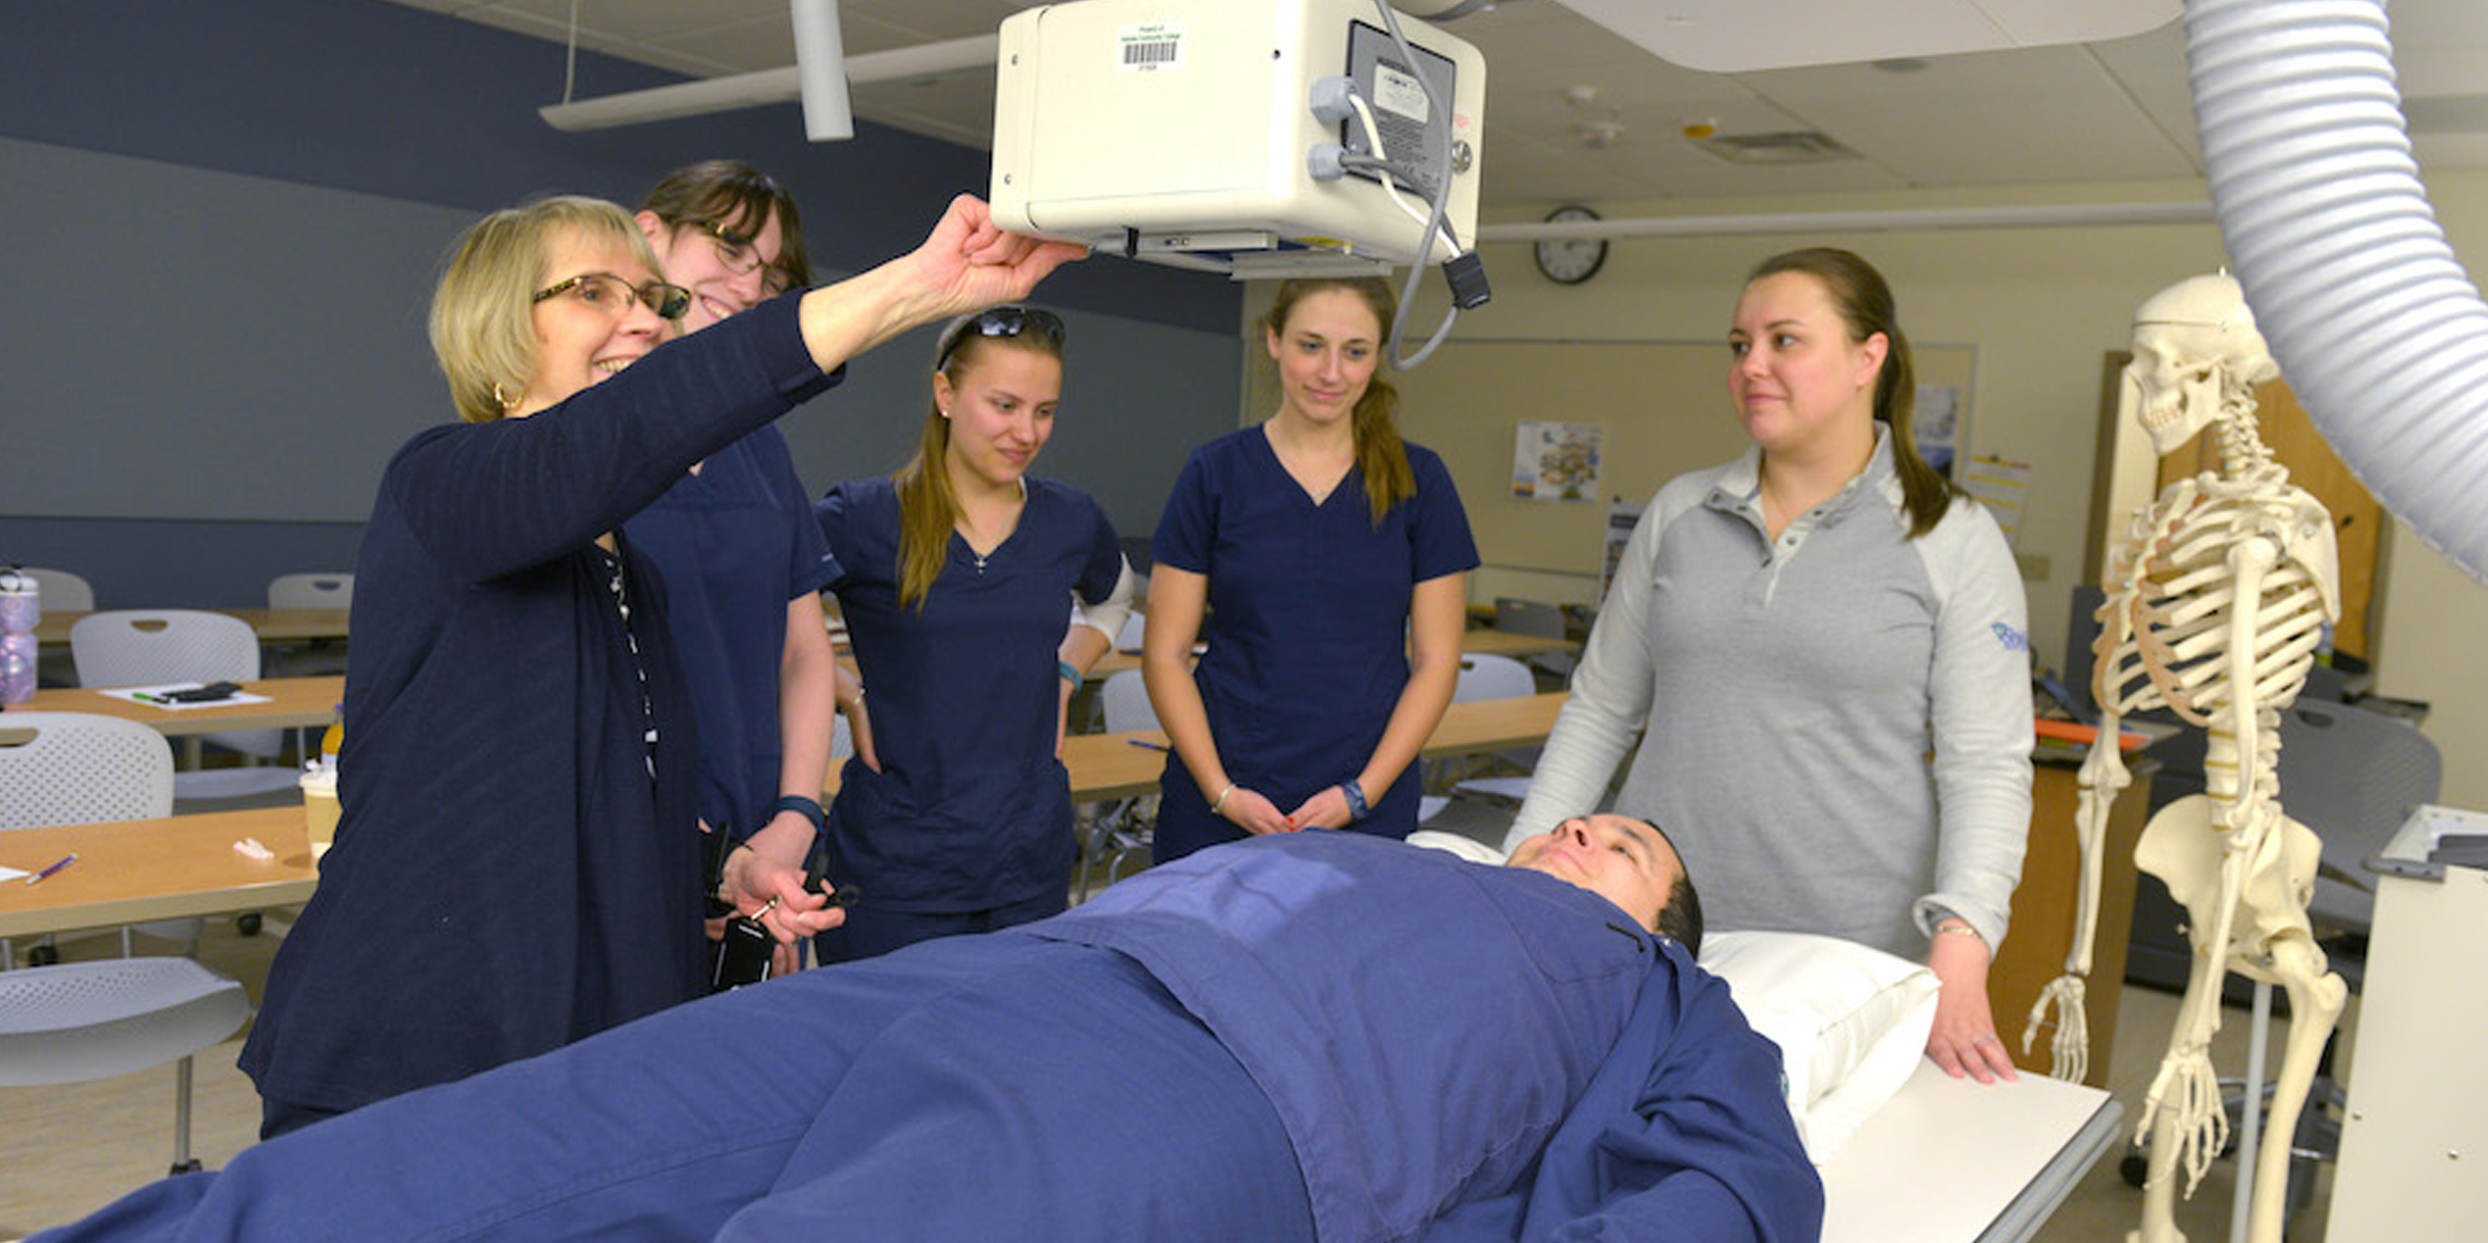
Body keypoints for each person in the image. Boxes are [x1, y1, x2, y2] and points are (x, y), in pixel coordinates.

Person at [232, 191, 1081, 1137]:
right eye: (592, 293)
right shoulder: (443, 484)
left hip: (575, 1066)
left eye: (652, 298)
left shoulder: (630, 576)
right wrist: (914, 289)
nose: (643, 317)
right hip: (410, 1066)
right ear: (499, 331)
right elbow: (626, 432)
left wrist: (718, 876)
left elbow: (598, 790)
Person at [37, 817, 1822, 1243]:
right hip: (1001, 974)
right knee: (495, 1146)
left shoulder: (1663, 992)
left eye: (1630, 847)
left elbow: (1746, 1188)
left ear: (1652, 912)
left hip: (1218, 1092)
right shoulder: (1391, 844)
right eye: (1586, 820)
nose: (1589, 835)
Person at [1505, 247, 2034, 1084]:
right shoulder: (1680, 512)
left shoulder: (1954, 539)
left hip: (1843, 955)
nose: (1752, 365)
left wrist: (1963, 947)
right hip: (1649, 931)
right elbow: (1601, 708)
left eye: (1785, 340)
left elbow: (1988, 766)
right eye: (1739, 343)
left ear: (1870, 357)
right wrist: (1522, 864)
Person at [810, 304, 1132, 960]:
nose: (1026, 432)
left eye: (1044, 411)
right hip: (897, 867)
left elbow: (1114, 595)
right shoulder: (865, 517)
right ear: (946, 394)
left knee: (1003, 1050)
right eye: (1005, 405)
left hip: (1026, 860)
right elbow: (760, 604)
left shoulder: (1070, 519)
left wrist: (1070, 670)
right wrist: (840, 686)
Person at [1144, 276, 1478, 863]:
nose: (1330, 373)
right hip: (1220, 799)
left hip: (1365, 803)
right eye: (1310, 345)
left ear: (1377, 360)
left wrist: (1362, 793)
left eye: (1355, 352)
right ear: (1273, 340)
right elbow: (1165, 654)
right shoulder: (1215, 473)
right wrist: (1221, 792)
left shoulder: (1420, 480)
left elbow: (1436, 661)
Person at [620, 162, 839, 976]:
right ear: (650, 235)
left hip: (765, 849)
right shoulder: (587, 437)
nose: (747, 284)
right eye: (729, 247)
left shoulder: (760, 445)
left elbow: (806, 652)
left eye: (770, 272)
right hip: (632, 853)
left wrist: (794, 818)